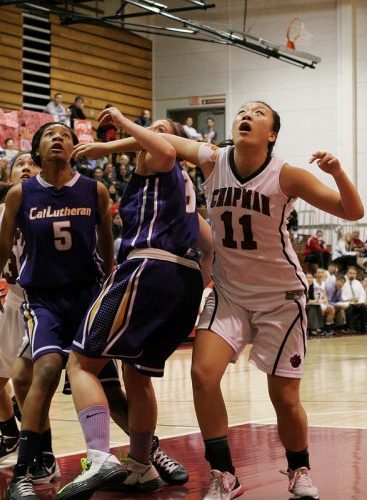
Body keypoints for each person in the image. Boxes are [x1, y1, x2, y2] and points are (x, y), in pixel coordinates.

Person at [149, 100, 363, 499]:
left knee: (283, 397)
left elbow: (353, 211)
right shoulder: (213, 159)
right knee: (202, 375)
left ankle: (299, 468)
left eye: (258, 112)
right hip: (229, 292)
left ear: (272, 134)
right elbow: (162, 139)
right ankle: (224, 474)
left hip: (280, 298)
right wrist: (107, 145)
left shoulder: (287, 175)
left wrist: (337, 173)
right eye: (243, 110)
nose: (247, 114)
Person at [55, 110, 213, 499]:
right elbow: (209, 245)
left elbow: (160, 146)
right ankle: (141, 465)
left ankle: (99, 455)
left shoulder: (164, 162)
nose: (149, 138)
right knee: (137, 376)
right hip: (183, 281)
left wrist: (123, 124)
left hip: (148, 268)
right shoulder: (182, 190)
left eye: (160, 132)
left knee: (81, 363)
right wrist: (198, 284)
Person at [0, 122, 114, 500]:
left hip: (88, 296)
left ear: (75, 147)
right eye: (50, 135)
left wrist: (110, 281)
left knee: (109, 383)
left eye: (66, 135)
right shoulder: (20, 194)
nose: (59, 138)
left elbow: (106, 242)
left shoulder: (95, 190)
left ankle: (145, 454)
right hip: (42, 298)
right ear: (37, 149)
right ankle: (22, 472)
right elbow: (4, 243)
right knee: (46, 370)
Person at [0, 153, 50, 474]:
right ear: (9, 177)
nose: (26, 168)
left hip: (45, 303)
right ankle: (13, 437)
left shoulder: (52, 203)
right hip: (14, 304)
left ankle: (45, 455)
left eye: (32, 163)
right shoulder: (3, 210)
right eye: (20, 165)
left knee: (25, 381)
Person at [341, 266, 367, 332]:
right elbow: (339, 295)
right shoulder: (342, 281)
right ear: (347, 273)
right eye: (350, 273)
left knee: (364, 307)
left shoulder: (357, 283)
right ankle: (349, 327)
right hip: (346, 303)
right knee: (350, 308)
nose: (352, 275)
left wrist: (360, 302)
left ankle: (363, 326)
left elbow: (362, 294)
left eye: (354, 274)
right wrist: (348, 300)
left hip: (357, 303)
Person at [313, 268, 336, 334]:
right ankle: (320, 328)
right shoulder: (313, 281)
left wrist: (327, 304)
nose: (320, 274)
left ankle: (328, 327)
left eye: (321, 273)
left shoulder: (323, 283)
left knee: (331, 309)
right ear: (315, 274)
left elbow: (325, 295)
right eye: (318, 272)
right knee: (321, 310)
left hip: (321, 302)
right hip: (314, 302)